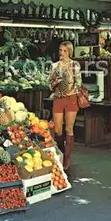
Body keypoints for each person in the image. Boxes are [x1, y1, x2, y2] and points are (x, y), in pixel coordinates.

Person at [49, 41, 82, 170]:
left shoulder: (75, 65)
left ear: (69, 52)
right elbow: (49, 85)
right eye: (60, 50)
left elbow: (78, 83)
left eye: (65, 51)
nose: (62, 53)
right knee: (57, 129)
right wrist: (54, 83)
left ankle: (67, 158)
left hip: (71, 99)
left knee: (69, 129)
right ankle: (61, 154)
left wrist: (72, 90)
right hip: (58, 99)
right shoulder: (54, 66)